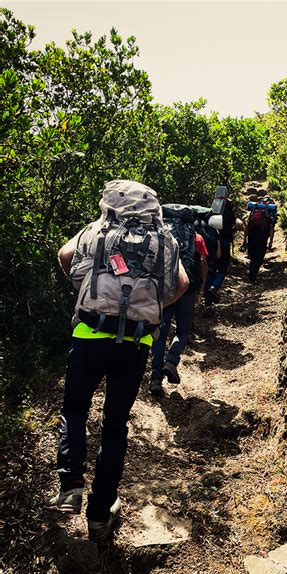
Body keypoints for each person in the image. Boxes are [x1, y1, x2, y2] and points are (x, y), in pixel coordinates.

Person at [46, 180, 188, 544]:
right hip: (135, 342)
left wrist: (84, 292)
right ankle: (99, 513)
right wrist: (153, 307)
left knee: (75, 410)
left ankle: (71, 485)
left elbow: (64, 256)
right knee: (115, 424)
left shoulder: (97, 230)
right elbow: (183, 283)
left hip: (89, 335)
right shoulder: (165, 239)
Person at [150, 229, 208, 394]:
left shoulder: (161, 236)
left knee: (160, 333)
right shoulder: (196, 238)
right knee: (182, 331)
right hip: (188, 291)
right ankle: (172, 360)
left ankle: (155, 379)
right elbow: (203, 264)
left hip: (166, 291)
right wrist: (200, 290)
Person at [205, 198, 235, 303]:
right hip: (224, 243)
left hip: (211, 242)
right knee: (222, 268)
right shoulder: (230, 213)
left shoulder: (211, 213)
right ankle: (214, 287)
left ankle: (208, 296)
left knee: (210, 267)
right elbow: (234, 225)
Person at [242, 199, 276, 281]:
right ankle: (254, 272)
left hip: (252, 234)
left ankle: (251, 271)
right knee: (260, 255)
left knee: (252, 254)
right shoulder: (269, 216)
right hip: (262, 235)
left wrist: (244, 239)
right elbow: (271, 229)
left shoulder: (252, 213)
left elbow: (247, 226)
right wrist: (270, 242)